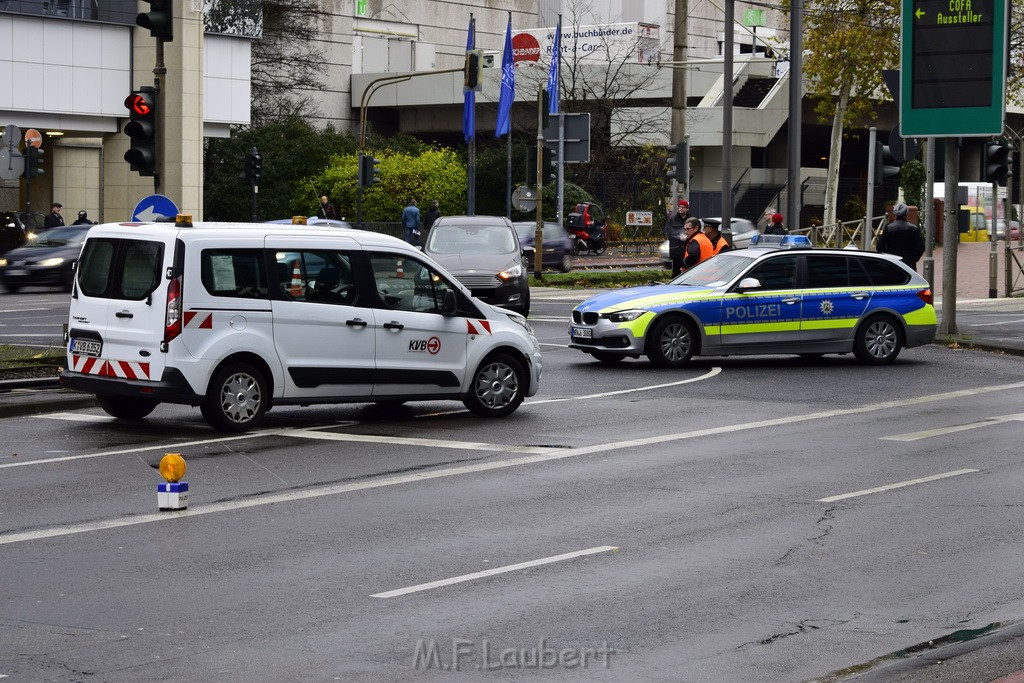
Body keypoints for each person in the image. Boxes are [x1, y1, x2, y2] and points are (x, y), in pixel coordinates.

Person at [876, 202, 925, 271]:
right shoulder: (914, 228)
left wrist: (888, 257)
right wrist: (913, 258)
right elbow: (921, 247)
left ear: (894, 213)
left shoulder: (888, 228)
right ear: (907, 214)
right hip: (909, 264)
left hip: (892, 264)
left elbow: (880, 246)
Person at [664, 200, 689, 276]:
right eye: (680, 207)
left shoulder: (691, 219)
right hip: (676, 250)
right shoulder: (673, 219)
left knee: (688, 270)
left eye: (683, 207)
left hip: (688, 249)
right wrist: (679, 237)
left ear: (687, 209)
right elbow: (668, 232)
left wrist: (687, 237)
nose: (681, 209)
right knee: (676, 271)